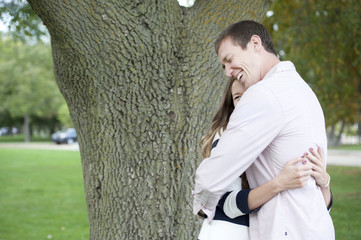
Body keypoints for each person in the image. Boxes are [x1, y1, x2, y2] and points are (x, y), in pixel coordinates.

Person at [193, 20, 335, 240]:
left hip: (288, 231)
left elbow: (210, 179)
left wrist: (202, 202)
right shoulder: (304, 91)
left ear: (255, 43)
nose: (228, 72)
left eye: (229, 60)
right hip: (318, 228)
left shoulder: (264, 93)